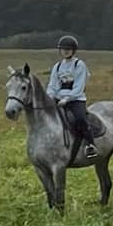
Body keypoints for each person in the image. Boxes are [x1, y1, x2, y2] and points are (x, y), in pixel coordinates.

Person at [47, 33, 95, 162]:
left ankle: (90, 144)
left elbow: (79, 86)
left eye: (68, 49)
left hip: (76, 99)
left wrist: (67, 99)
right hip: (59, 99)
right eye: (63, 49)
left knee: (80, 119)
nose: (65, 51)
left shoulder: (79, 65)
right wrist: (50, 97)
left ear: (73, 51)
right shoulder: (57, 66)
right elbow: (53, 85)